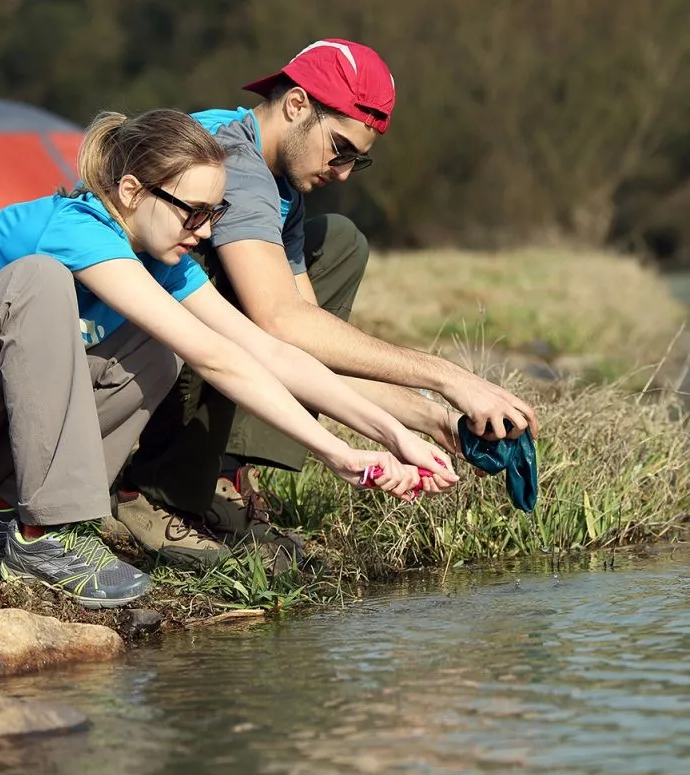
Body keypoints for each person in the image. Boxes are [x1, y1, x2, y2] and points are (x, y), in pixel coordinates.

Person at [0, 107, 459, 609]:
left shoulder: (165, 259)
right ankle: (48, 537)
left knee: (155, 352)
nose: (206, 231)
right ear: (134, 192)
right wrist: (335, 452)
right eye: (194, 213)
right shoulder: (74, 227)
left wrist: (388, 437)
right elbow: (214, 359)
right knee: (39, 283)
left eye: (216, 212)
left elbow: (262, 351)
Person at [116, 39, 540, 561]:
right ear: (296, 105)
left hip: (181, 347)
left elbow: (308, 346)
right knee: (234, 287)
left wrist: (436, 420)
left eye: (356, 162)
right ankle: (156, 494)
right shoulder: (234, 164)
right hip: (106, 363)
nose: (341, 172)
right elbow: (279, 323)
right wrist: (450, 378)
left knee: (337, 243)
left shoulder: (280, 180)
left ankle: (218, 474)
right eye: (339, 149)